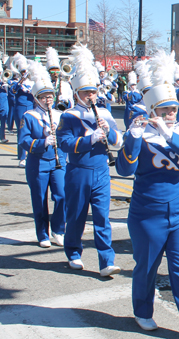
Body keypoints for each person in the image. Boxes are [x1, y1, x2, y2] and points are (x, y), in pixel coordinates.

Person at [116, 50, 179, 337]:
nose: (170, 114)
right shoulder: (137, 134)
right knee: (147, 267)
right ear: (151, 111)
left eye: (173, 109)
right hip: (147, 212)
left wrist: (167, 132)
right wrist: (134, 137)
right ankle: (142, 311)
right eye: (164, 110)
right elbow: (124, 170)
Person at [56, 44, 122, 276]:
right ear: (76, 94)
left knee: (103, 217)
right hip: (78, 171)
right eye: (85, 92)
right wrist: (89, 138)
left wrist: (108, 131)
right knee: (76, 215)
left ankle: (106, 260)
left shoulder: (104, 113)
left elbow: (117, 141)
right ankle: (73, 252)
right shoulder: (69, 116)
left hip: (101, 171)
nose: (90, 96)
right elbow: (64, 144)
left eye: (92, 91)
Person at [18, 60, 66, 248]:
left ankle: (58, 229)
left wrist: (59, 133)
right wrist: (42, 142)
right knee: (39, 198)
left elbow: (67, 137)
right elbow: (23, 140)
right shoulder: (29, 116)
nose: (48, 100)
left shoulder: (59, 114)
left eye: (50, 96)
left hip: (58, 161)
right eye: (44, 97)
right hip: (38, 162)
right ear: (36, 98)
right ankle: (42, 234)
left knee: (62, 195)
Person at [11, 53, 34, 168]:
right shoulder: (15, 82)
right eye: (23, 71)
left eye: (26, 71)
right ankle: (22, 157)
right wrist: (21, 81)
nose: (25, 73)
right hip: (20, 108)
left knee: (31, 132)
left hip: (31, 107)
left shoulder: (32, 83)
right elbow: (13, 91)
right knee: (21, 132)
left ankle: (30, 154)